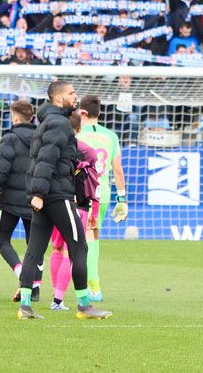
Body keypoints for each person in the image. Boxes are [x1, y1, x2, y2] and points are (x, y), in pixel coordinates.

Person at [16, 81, 112, 320]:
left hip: (46, 194)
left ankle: (25, 306)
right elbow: (46, 158)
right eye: (71, 93)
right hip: (57, 194)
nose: (75, 96)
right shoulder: (59, 124)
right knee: (79, 246)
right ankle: (84, 305)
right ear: (58, 99)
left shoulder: (47, 122)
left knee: (34, 250)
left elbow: (43, 158)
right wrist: (38, 193)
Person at [0, 100, 38, 301]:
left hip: (10, 202)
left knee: (1, 239)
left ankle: (22, 275)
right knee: (34, 245)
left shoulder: (10, 139)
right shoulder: (41, 139)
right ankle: (35, 289)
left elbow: (0, 170)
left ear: (14, 117)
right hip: (36, 200)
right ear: (31, 117)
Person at [75, 94, 128, 301]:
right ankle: (93, 285)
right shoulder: (111, 136)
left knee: (74, 240)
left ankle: (91, 286)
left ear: (82, 112)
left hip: (81, 192)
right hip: (102, 193)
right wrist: (122, 199)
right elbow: (118, 170)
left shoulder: (77, 134)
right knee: (94, 236)